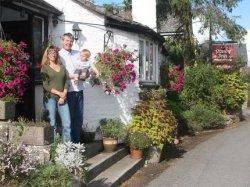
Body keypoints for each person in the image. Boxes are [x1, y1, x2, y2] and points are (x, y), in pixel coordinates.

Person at [59, 33, 89, 143]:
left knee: (79, 118)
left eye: (71, 41)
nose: (69, 43)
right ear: (62, 40)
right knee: (69, 119)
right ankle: (69, 144)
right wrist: (73, 76)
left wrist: (86, 74)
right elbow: (60, 74)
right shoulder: (59, 55)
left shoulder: (78, 53)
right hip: (69, 91)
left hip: (79, 89)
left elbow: (86, 66)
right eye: (67, 40)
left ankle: (76, 143)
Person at [41, 45, 71, 142]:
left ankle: (65, 148)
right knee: (52, 123)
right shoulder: (44, 68)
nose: (53, 54)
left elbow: (67, 80)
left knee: (67, 124)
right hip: (50, 98)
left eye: (54, 52)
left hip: (63, 98)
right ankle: (54, 148)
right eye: (50, 53)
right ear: (47, 54)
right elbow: (46, 85)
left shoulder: (62, 67)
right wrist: (59, 93)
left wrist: (64, 94)